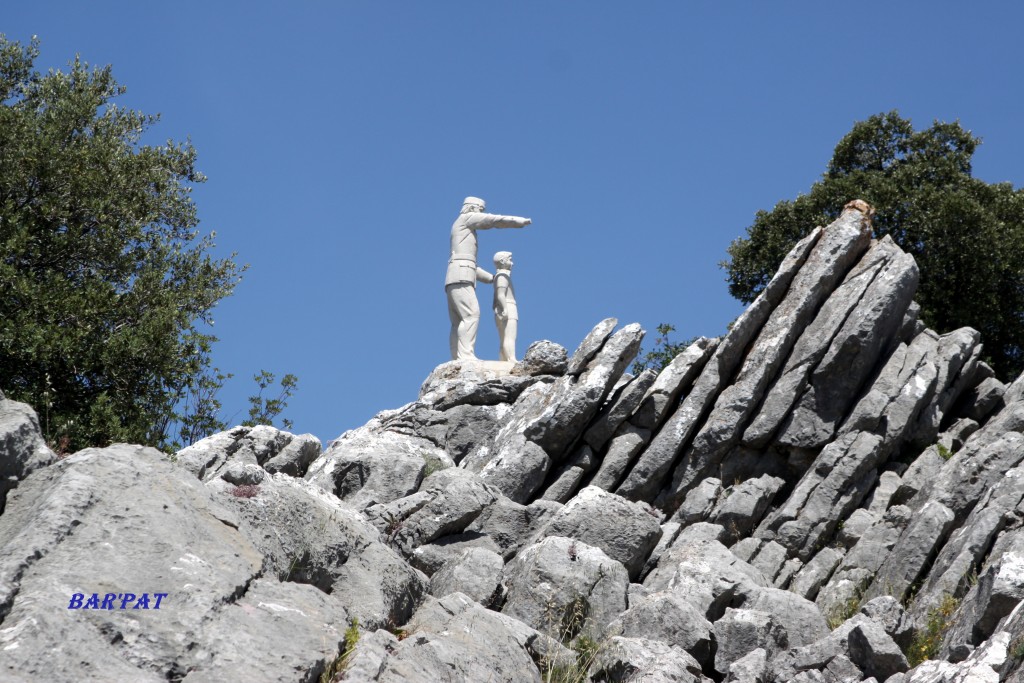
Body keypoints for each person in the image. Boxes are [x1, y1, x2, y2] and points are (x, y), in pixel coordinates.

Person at [445, 197, 531, 360]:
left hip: (456, 275)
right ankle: (465, 355)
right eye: (480, 210)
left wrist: (494, 279)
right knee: (471, 314)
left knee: (458, 320)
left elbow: (474, 268)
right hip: (462, 275)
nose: (481, 214)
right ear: (471, 208)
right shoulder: (465, 219)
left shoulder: (459, 229)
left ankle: (457, 357)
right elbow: (493, 220)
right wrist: (518, 222)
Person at [492, 251, 519, 362]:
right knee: (510, 336)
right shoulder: (502, 276)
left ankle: (504, 359)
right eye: (509, 259)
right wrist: (505, 309)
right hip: (508, 306)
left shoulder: (500, 276)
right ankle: (511, 359)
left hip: (503, 307)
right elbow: (500, 294)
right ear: (503, 261)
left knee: (505, 337)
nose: (512, 263)